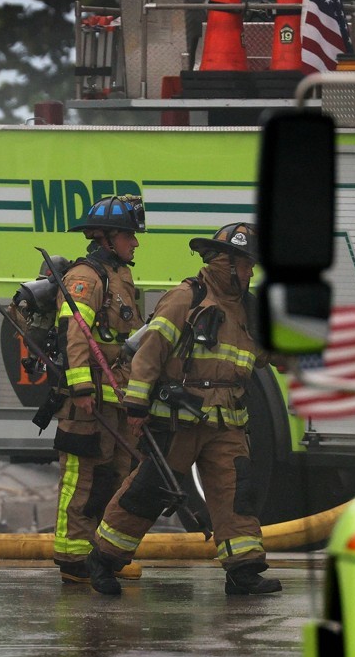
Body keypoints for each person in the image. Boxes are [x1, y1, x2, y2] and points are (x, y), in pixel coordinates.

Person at [89, 222, 280, 596]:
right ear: (226, 263)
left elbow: (270, 356)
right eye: (246, 265)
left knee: (235, 493)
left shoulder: (248, 310)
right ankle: (104, 560)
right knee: (148, 492)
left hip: (226, 423)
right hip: (180, 419)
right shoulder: (185, 298)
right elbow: (151, 353)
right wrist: (137, 406)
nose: (251, 272)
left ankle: (243, 571)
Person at [51, 195, 145, 585]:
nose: (135, 243)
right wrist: (81, 388)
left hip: (115, 397)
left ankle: (99, 553)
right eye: (129, 236)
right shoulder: (87, 277)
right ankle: (73, 558)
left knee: (114, 475)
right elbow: (76, 333)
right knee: (82, 478)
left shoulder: (119, 275)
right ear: (107, 239)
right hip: (88, 401)